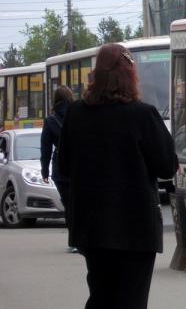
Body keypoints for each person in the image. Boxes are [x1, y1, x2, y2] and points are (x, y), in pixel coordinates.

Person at [57, 43, 178, 309]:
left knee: (101, 296)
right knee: (131, 300)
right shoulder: (142, 114)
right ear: (129, 76)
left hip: (92, 229)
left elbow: (63, 167)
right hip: (135, 230)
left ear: (96, 75)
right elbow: (168, 167)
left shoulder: (76, 114)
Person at [40, 85, 74, 252]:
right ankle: (83, 239)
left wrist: (44, 170)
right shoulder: (79, 115)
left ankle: (73, 241)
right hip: (80, 166)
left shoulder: (51, 120)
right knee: (81, 203)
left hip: (60, 168)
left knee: (68, 204)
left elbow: (45, 148)